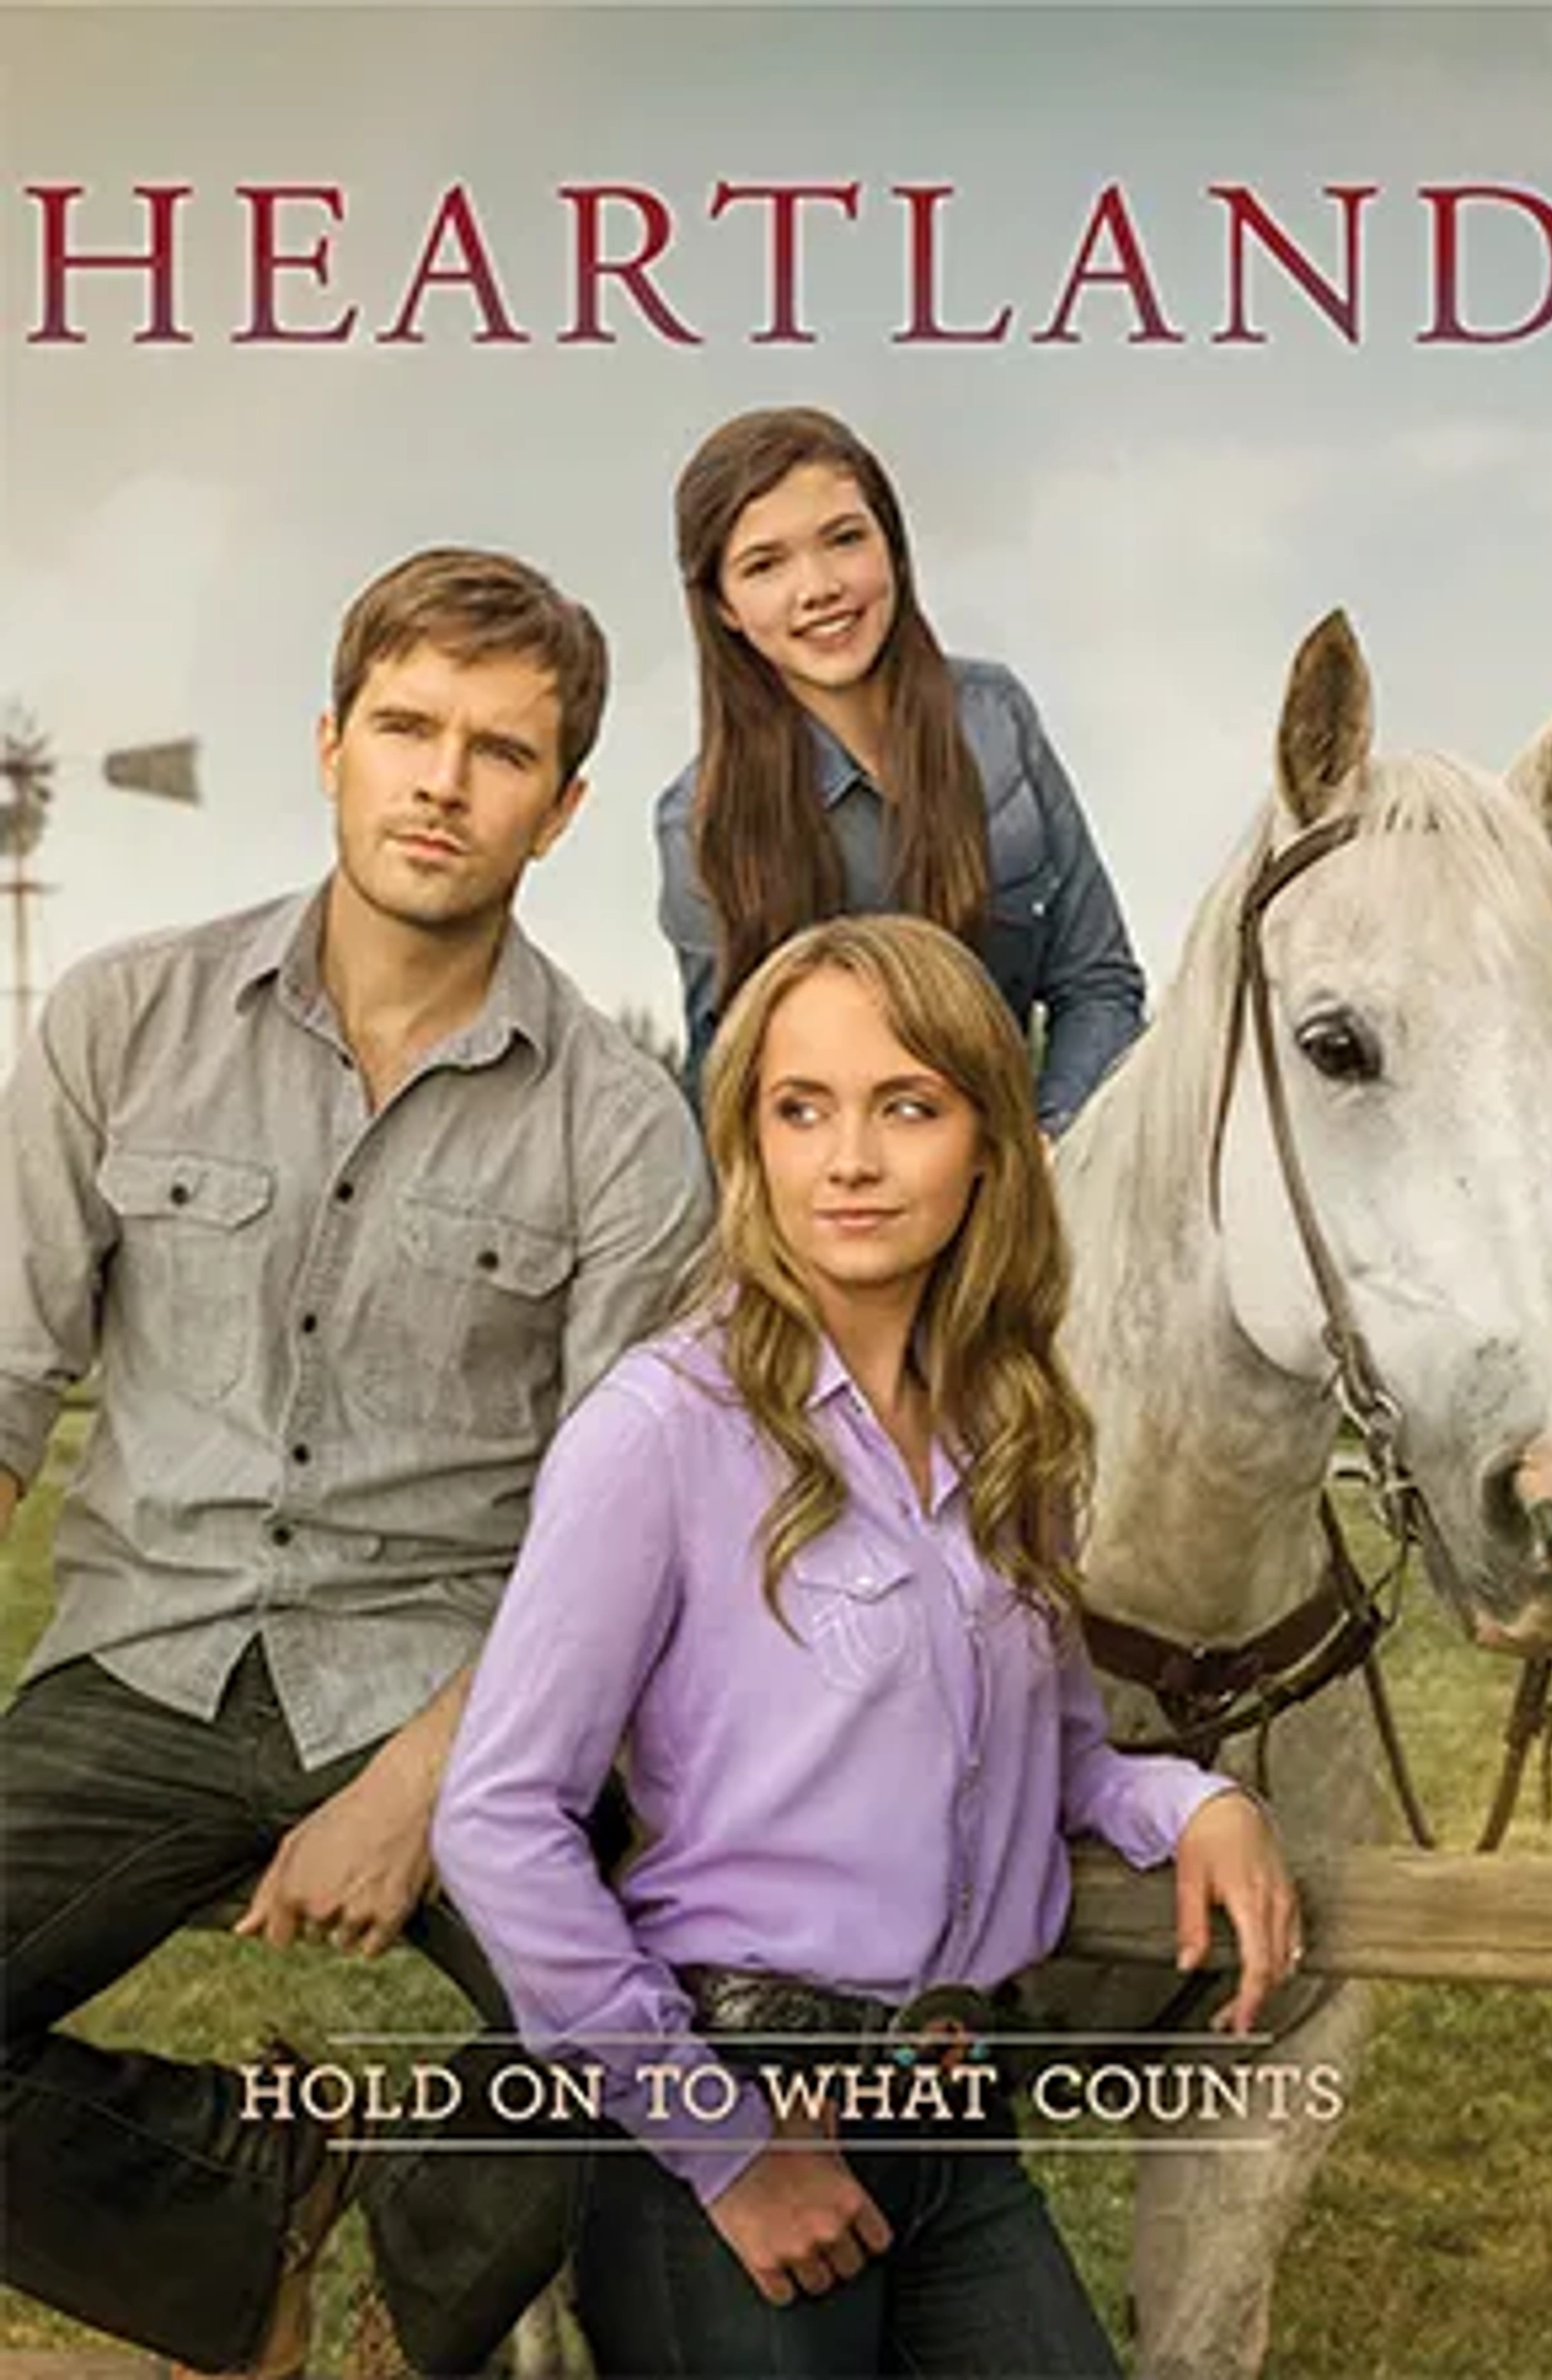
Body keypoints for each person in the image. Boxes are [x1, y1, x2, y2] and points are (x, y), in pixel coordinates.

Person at [0, 547, 711, 2377]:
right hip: (144, 1659)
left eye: (498, 750)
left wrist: (419, 1783)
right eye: (405, 724)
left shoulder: (625, 1131)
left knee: (718, 2005)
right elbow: (5, 1380)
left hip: (466, 1681)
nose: (439, 778)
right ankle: (236, 2200)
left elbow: (611, 1546)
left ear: (556, 811)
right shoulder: (118, 1019)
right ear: (329, 743)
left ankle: (424, 2253)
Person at [435, 913, 1300, 2379]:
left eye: (907, 1105)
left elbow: (1060, 1752)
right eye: (801, 1107)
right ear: (750, 1139)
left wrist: (1195, 1801)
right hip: (735, 2100)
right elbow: (496, 1816)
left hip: (956, 2112)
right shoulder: (659, 1432)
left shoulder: (1015, 1432)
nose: (849, 1158)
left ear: (987, 1142)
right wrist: (721, 2143)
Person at [656, 405, 1146, 1136]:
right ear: (723, 605)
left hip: (1029, 1189)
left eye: (844, 539)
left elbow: (1098, 984)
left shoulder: (998, 721)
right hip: (841, 1216)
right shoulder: (698, 820)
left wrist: (1047, 1152)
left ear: (892, 546)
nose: (818, 586)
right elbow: (728, 1090)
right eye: (766, 565)